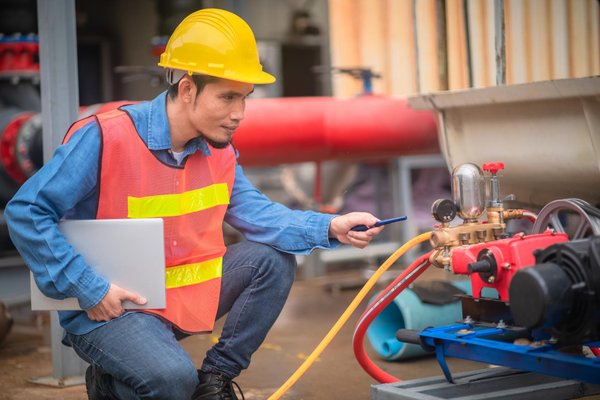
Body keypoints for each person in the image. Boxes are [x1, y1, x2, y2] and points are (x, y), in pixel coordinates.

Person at [4, 8, 384, 400]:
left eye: (245, 98)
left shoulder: (219, 150)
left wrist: (329, 227)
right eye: (228, 97)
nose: (239, 113)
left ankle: (214, 381)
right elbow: (26, 212)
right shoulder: (105, 137)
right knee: (172, 381)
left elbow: (257, 213)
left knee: (272, 260)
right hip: (112, 308)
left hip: (181, 298)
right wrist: (89, 288)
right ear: (187, 89)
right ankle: (112, 383)